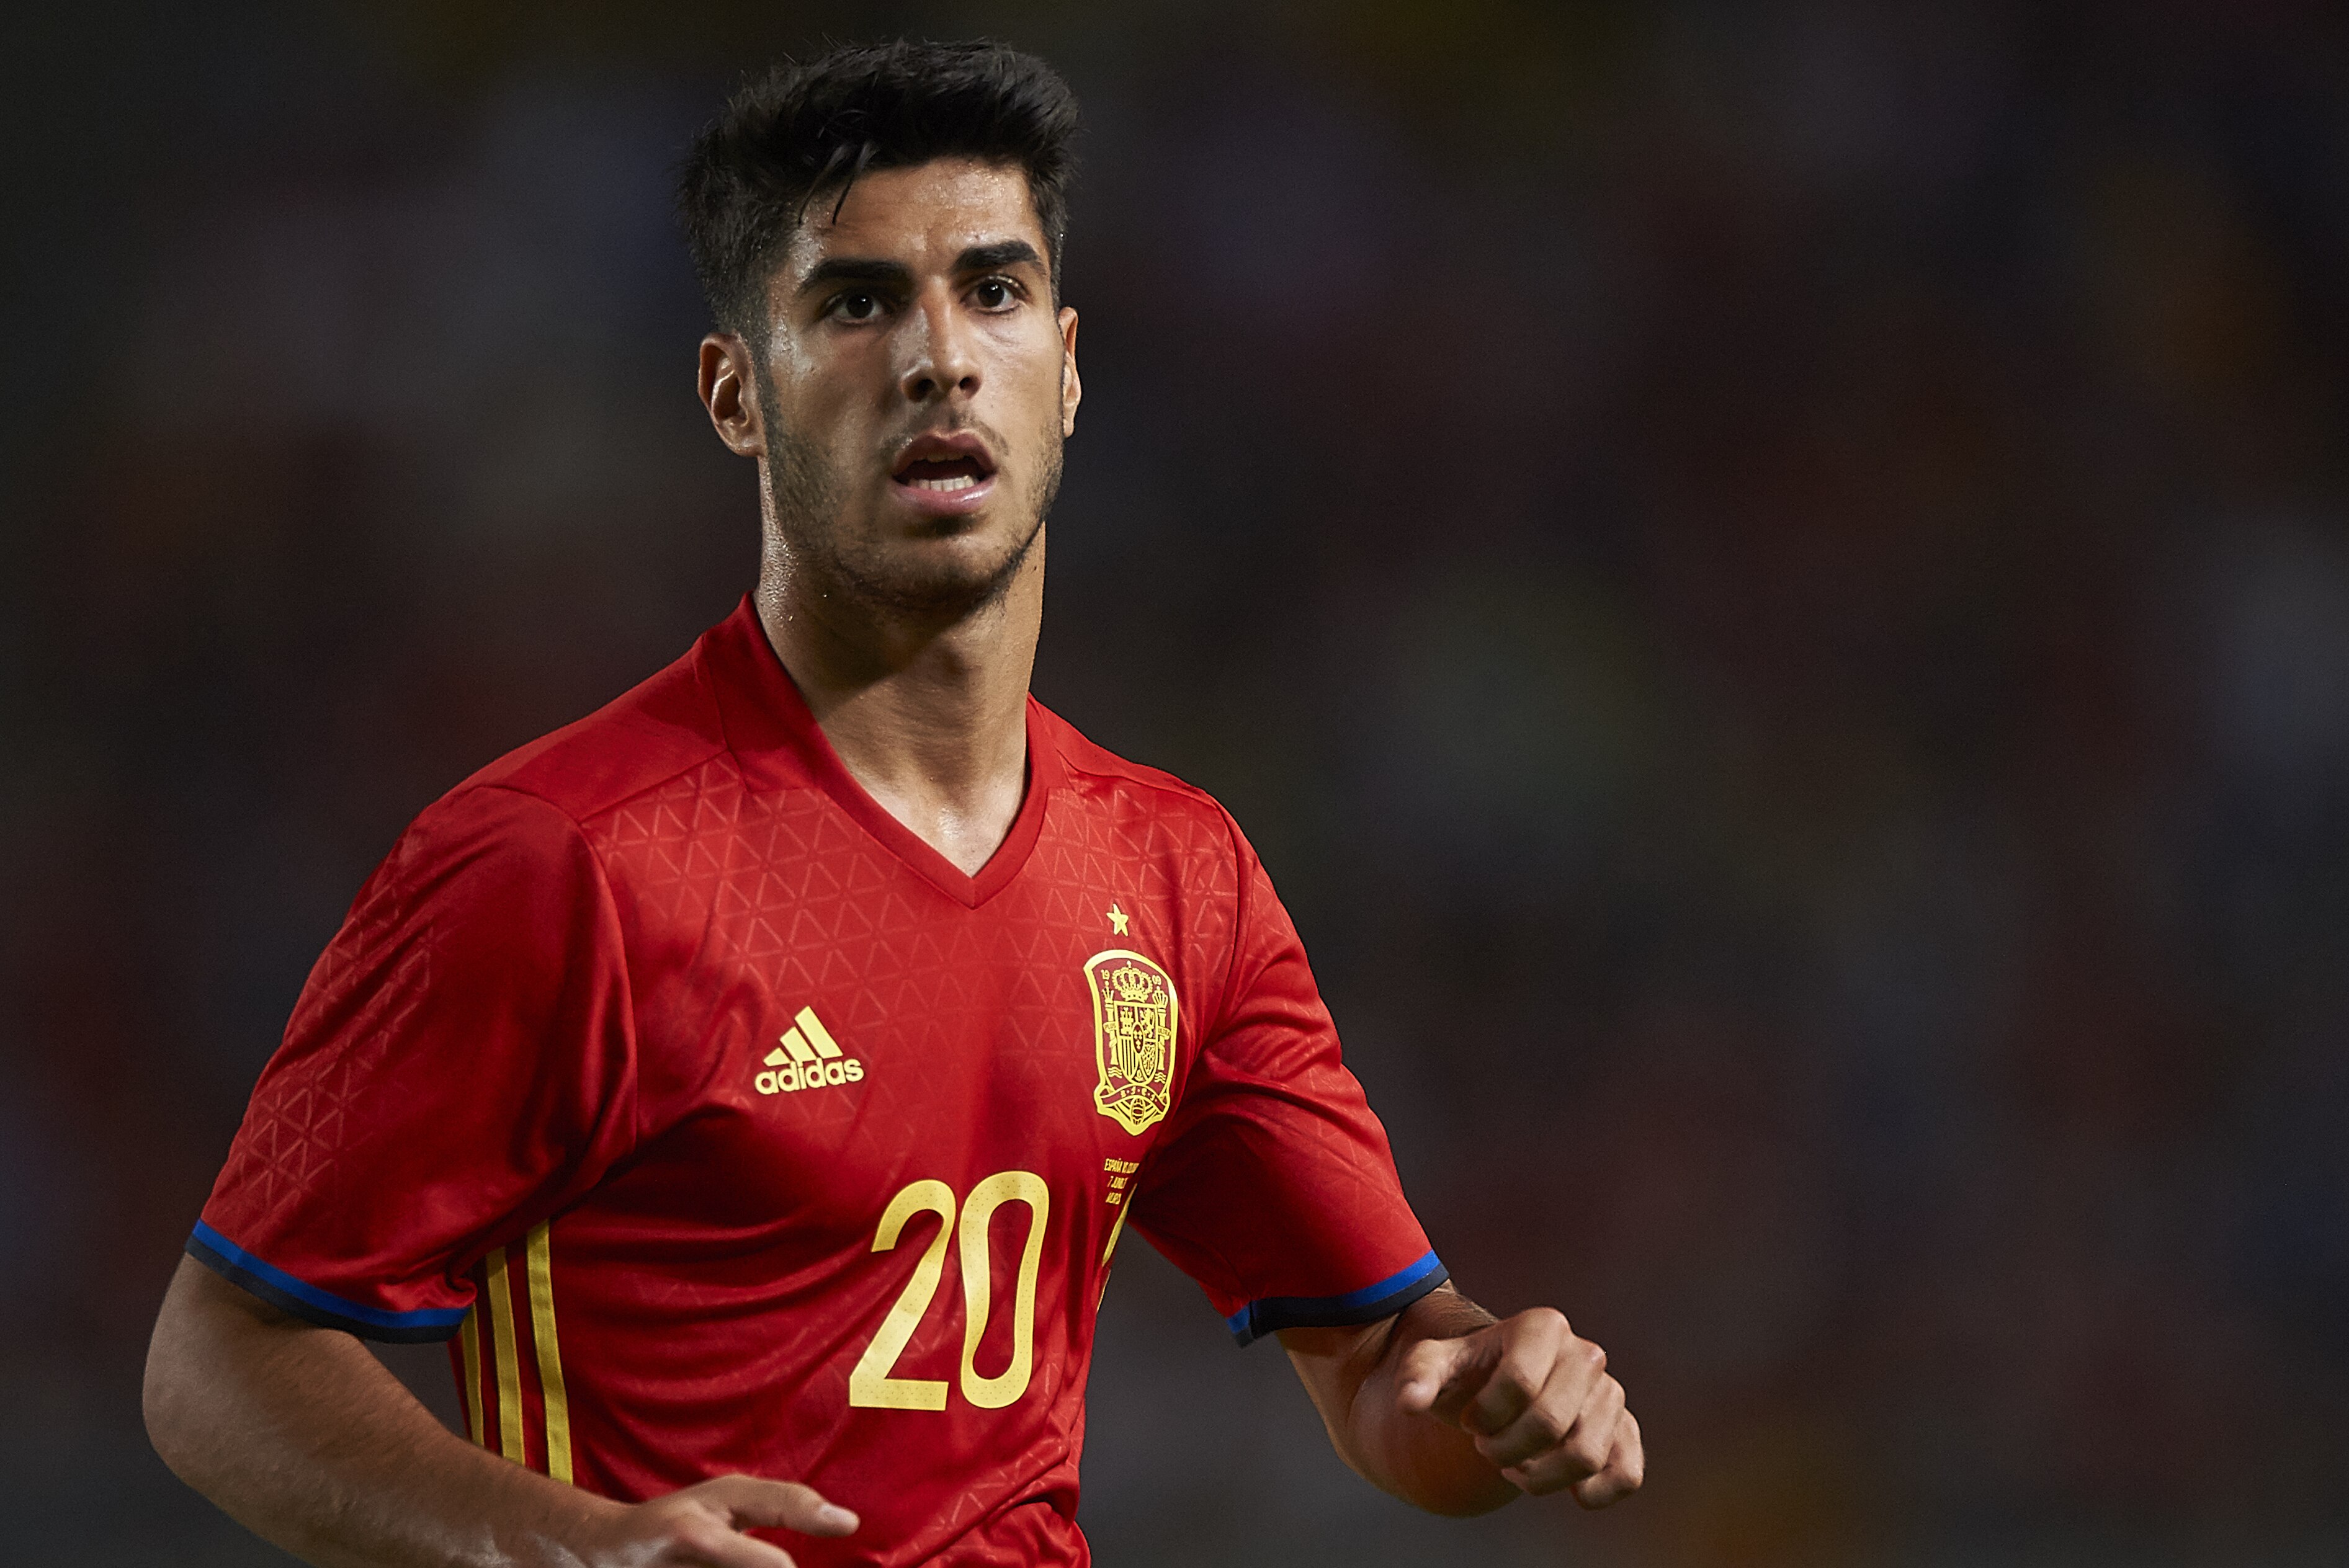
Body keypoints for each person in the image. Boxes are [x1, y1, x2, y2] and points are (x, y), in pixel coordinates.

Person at [142, 39, 1644, 1568]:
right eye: (857, 303)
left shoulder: (1180, 874)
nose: (939, 355)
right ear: (735, 392)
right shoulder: (563, 862)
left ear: (1065, 366)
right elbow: (219, 1356)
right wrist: (568, 1547)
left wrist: (1502, 1398)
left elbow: (1387, 1370)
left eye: (992, 291)